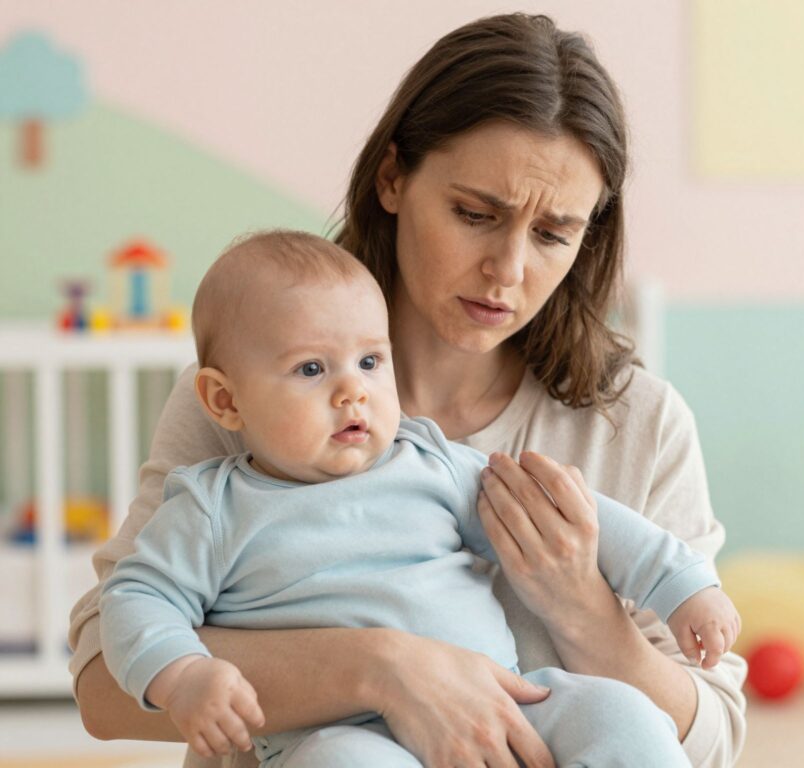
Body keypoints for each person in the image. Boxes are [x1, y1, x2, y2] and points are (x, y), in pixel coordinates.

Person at [70, 13, 747, 768]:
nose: (508, 269)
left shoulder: (636, 424)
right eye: (474, 214)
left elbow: (711, 737)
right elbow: (102, 683)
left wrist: (584, 607)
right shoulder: (258, 396)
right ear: (393, 178)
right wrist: (384, 669)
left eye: (553, 233)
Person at [99, 231, 740, 767]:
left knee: (619, 714)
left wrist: (680, 583)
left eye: (371, 362)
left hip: (513, 702)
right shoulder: (212, 508)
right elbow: (136, 600)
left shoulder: (428, 462)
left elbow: (574, 512)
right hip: (343, 734)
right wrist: (183, 674)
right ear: (225, 401)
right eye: (312, 370)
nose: (352, 392)